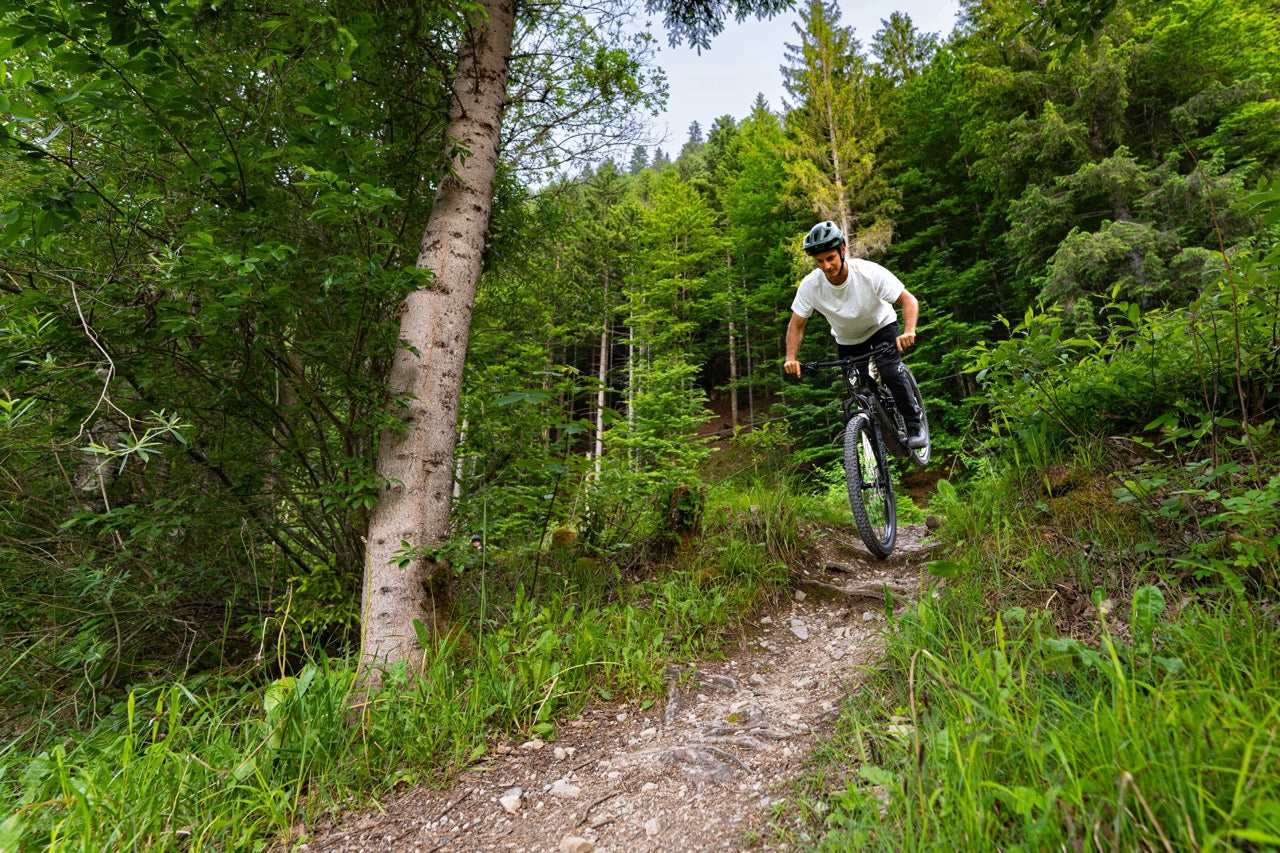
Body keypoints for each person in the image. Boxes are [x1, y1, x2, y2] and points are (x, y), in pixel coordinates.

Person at [783, 220, 927, 449]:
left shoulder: (868, 273)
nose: (826, 266)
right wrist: (791, 357)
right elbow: (797, 324)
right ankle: (873, 433)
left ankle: (913, 423)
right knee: (856, 387)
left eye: (830, 258)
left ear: (842, 251)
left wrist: (909, 331)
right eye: (820, 261)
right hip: (848, 339)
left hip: (881, 327)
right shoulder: (811, 286)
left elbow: (908, 300)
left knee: (889, 371)